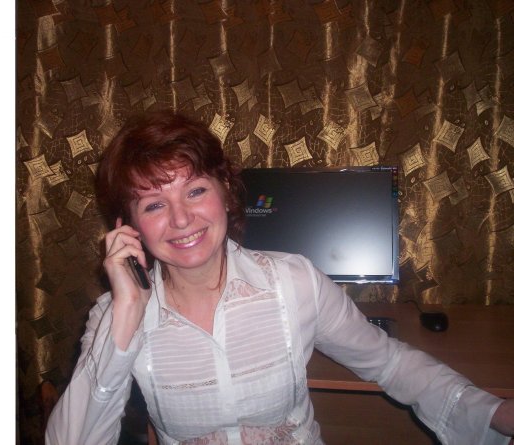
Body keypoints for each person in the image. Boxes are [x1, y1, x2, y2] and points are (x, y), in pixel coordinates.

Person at [45, 110, 514, 445]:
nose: (181, 218)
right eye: (153, 204)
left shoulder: (294, 282)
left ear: (226, 192)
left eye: (195, 190)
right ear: (128, 227)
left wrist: (493, 411)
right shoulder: (114, 316)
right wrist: (127, 312)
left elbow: (389, 363)